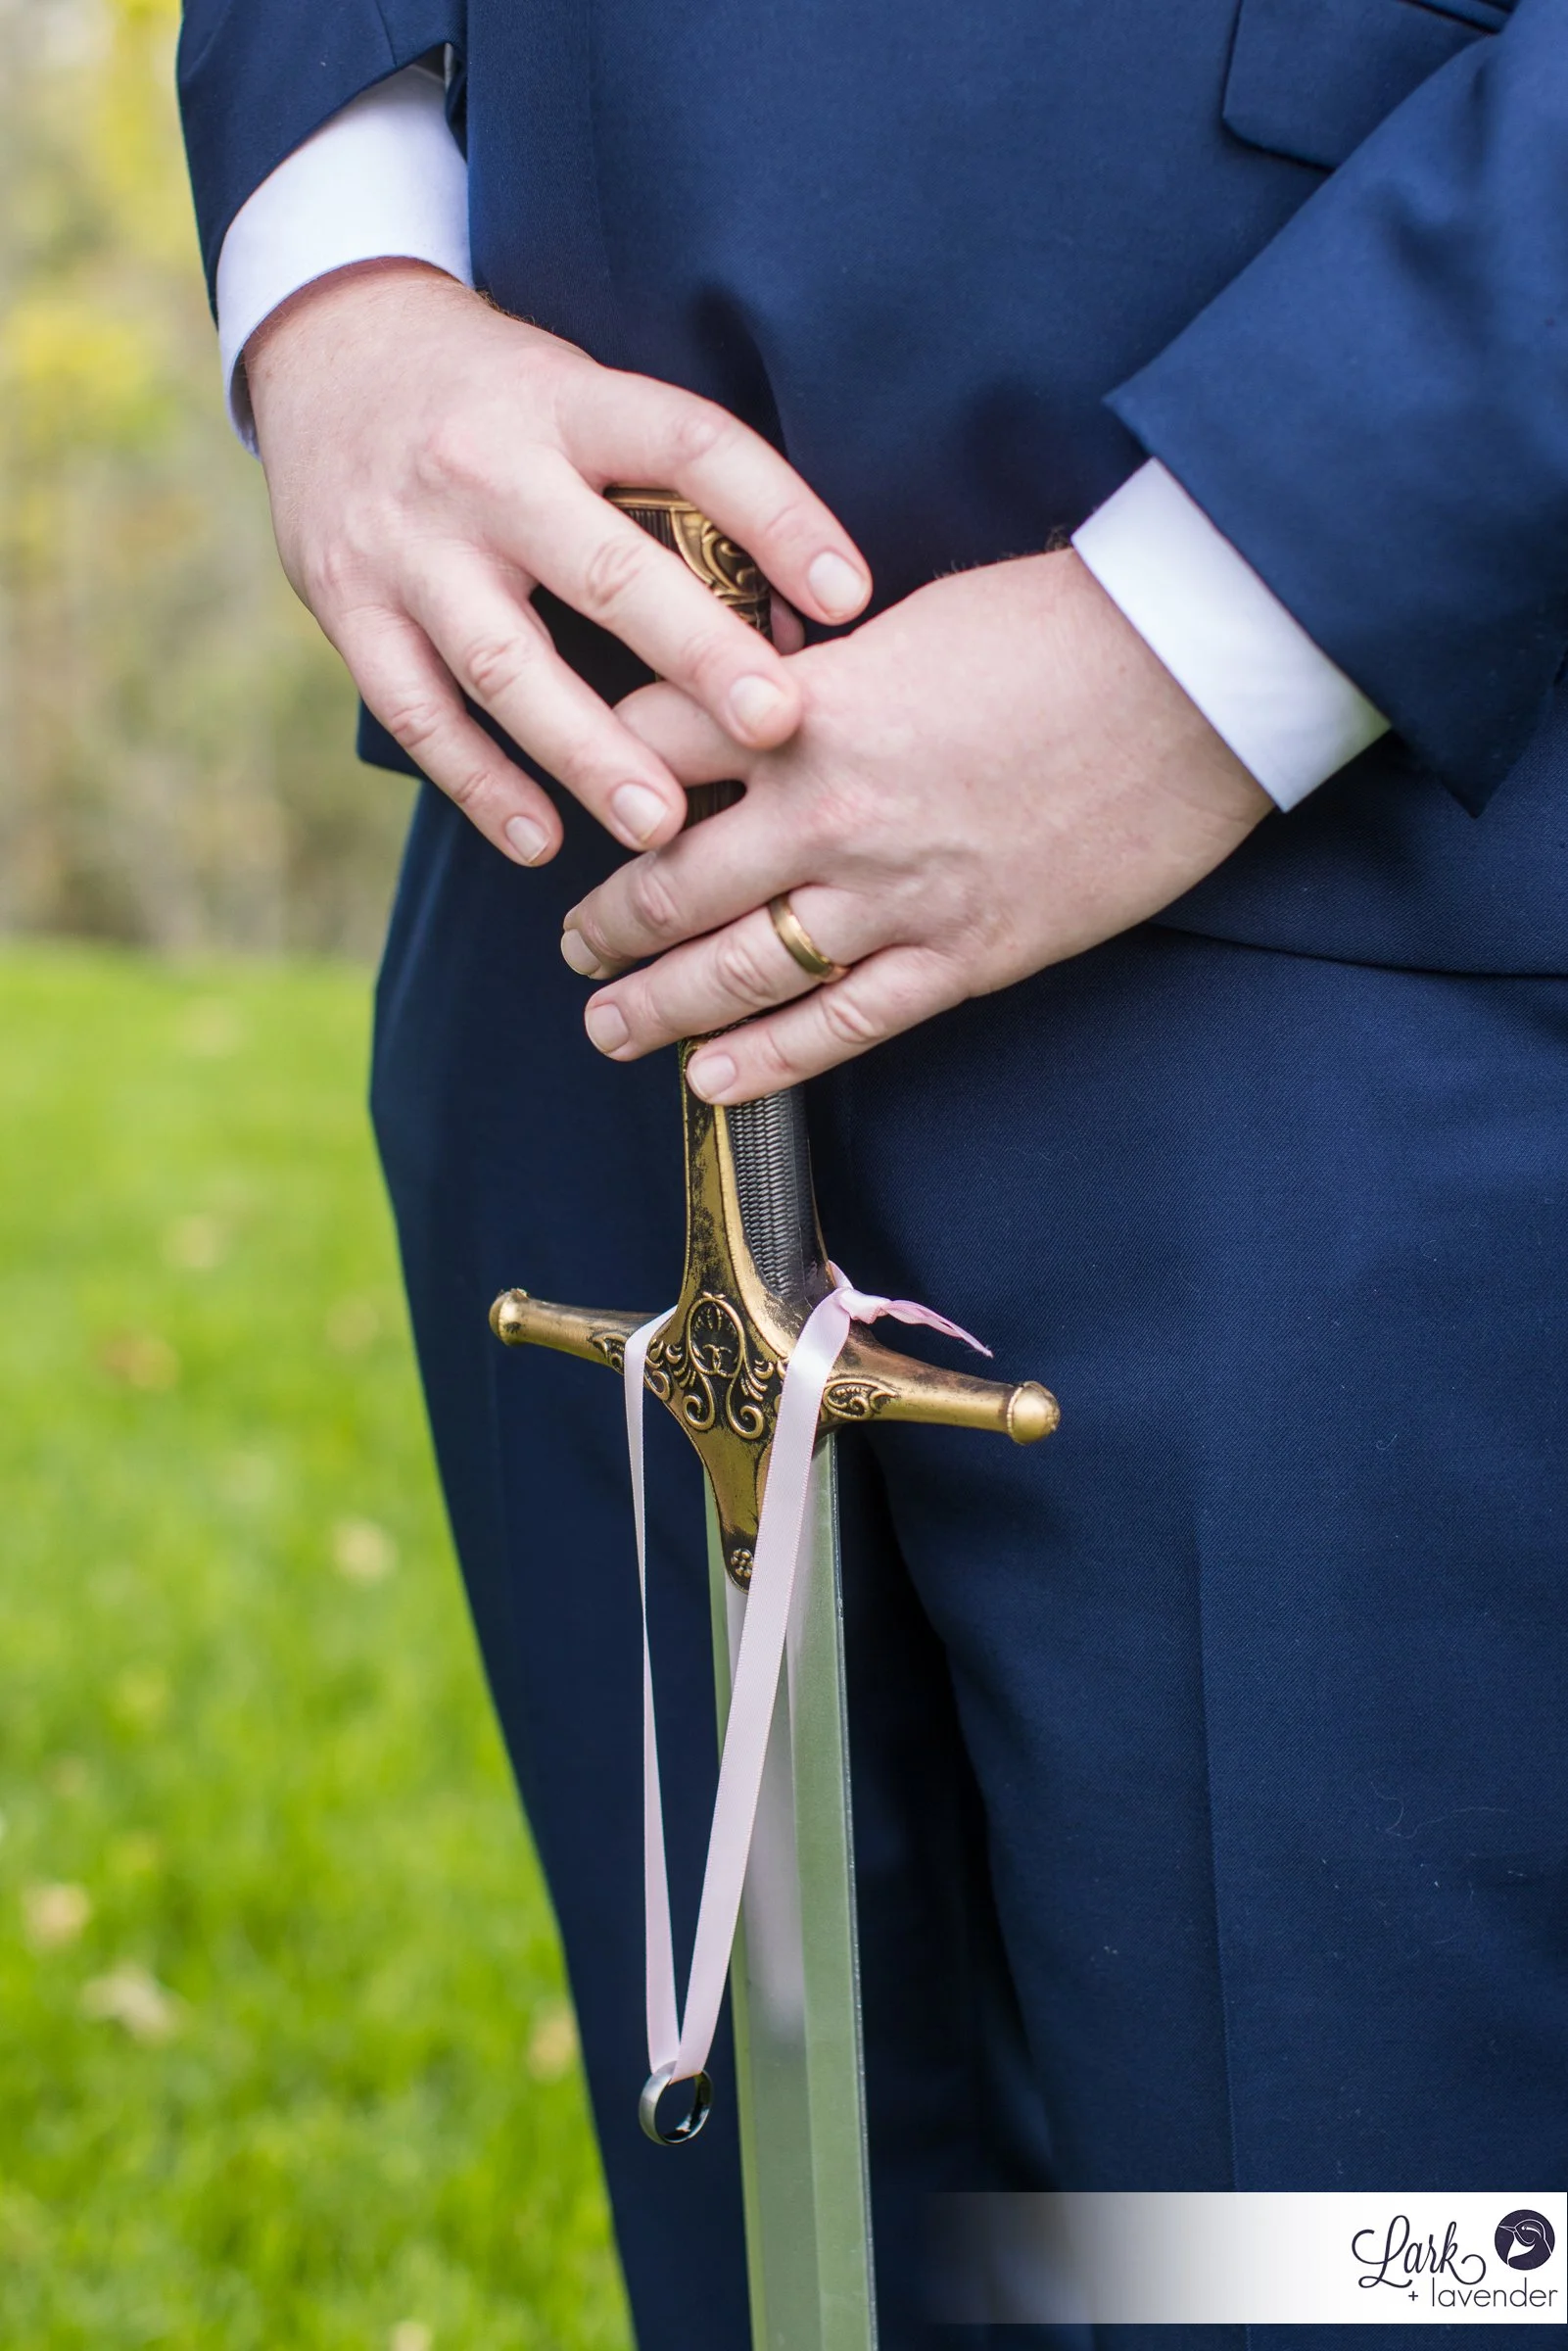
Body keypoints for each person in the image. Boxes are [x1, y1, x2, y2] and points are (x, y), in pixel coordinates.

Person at [179, 7, 1568, 2345]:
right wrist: (336, 291)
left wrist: (1218, 624)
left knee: (1356, 2268)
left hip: (1377, 926)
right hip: (585, 906)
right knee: (770, 2246)